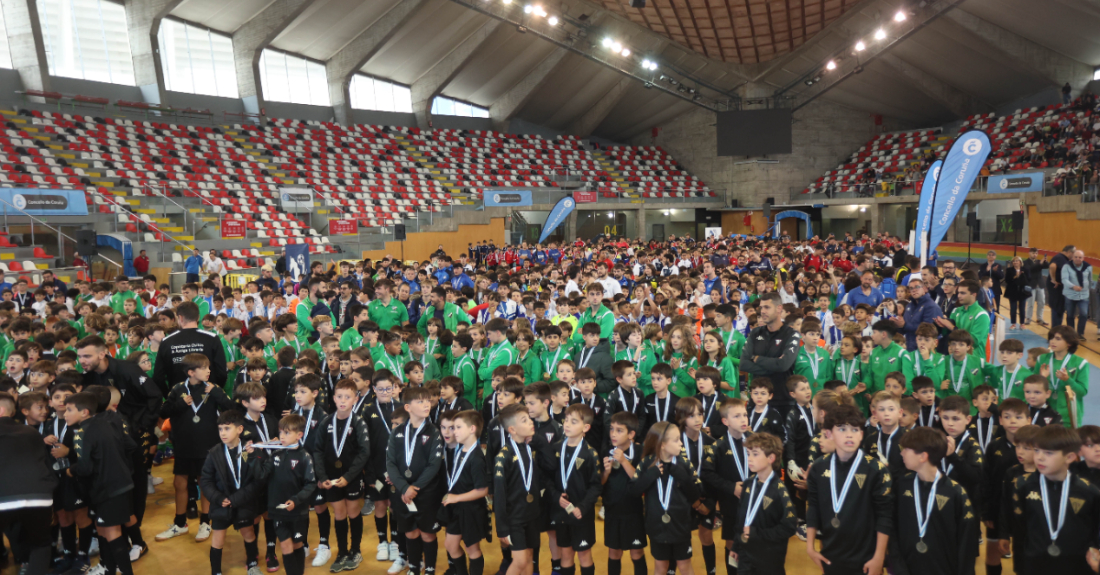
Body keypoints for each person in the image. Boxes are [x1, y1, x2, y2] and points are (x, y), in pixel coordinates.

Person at [805, 404, 891, 575]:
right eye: (842, 429)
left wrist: (879, 557)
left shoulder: (876, 469)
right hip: (831, 553)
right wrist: (810, 547)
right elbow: (813, 506)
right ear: (829, 434)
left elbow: (885, 514)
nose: (849, 435)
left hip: (866, 557)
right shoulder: (818, 467)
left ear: (861, 434)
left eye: (855, 429)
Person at [1006, 425, 1100, 573]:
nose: (1040, 457)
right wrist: (1020, 567)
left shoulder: (1088, 491)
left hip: (1077, 565)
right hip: (1035, 563)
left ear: (1069, 457)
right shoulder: (1023, 486)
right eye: (1037, 450)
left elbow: (1096, 531)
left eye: (1049, 453)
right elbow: (1020, 530)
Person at [893, 427, 979, 575]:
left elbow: (967, 544)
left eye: (906, 449)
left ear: (922, 456)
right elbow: (893, 529)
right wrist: (897, 566)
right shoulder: (901, 485)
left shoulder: (955, 493)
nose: (901, 453)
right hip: (907, 568)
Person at [0, 393, 58, 575]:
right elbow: (46, 465)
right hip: (39, 496)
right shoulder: (31, 433)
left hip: (3, 497)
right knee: (40, 544)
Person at [740, 293, 801, 421]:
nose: (762, 311)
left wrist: (757, 358)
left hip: (783, 400)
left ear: (779, 308)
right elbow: (744, 364)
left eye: (767, 307)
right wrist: (774, 366)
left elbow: (784, 365)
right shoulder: (755, 333)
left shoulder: (791, 334)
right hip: (757, 401)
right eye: (761, 308)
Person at [151, 301, 228, 394]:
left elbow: (158, 376)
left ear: (180, 318)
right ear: (198, 317)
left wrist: (169, 395)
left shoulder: (167, 341)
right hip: (207, 395)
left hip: (178, 397)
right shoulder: (212, 338)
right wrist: (214, 391)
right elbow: (222, 373)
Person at [1060, 249, 1092, 338]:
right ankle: (1071, 333)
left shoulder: (1088, 267)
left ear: (1083, 258)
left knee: (1084, 314)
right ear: (1073, 257)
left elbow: (1090, 280)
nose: (1078, 259)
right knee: (1070, 314)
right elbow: (1064, 279)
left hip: (1084, 295)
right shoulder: (1066, 266)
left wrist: (1087, 289)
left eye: (1080, 257)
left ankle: (1080, 333)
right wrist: (1073, 286)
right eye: (1076, 257)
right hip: (1070, 295)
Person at [1048, 245, 1074, 327]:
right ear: (1069, 252)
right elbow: (1052, 266)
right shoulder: (1060, 258)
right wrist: (1053, 279)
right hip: (1057, 288)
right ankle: (1056, 329)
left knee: (1060, 308)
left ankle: (1057, 328)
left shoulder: (1063, 259)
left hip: (1060, 288)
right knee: (1057, 308)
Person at [1004, 256, 1031, 330]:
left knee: (1022, 308)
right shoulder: (1009, 270)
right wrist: (1015, 276)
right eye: (1014, 261)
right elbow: (1007, 280)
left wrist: (1022, 275)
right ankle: (1013, 323)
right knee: (1013, 308)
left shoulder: (1025, 270)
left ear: (1020, 262)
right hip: (1012, 292)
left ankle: (1022, 323)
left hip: (1022, 292)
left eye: (1017, 261)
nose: (1015, 262)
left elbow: (1028, 280)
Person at [1023, 248, 1048, 326]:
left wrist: (1045, 261)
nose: (1035, 255)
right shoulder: (1025, 262)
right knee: (1031, 303)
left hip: (1040, 284)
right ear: (1029, 253)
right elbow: (1030, 269)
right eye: (1033, 253)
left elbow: (1047, 266)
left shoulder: (1038, 262)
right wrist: (1039, 264)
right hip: (1031, 285)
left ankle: (1040, 318)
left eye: (1036, 253)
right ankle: (1028, 318)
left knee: (1042, 302)